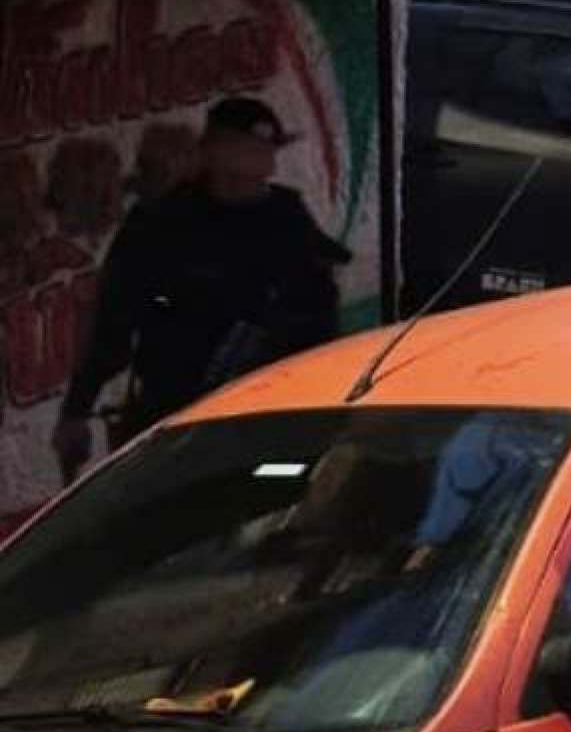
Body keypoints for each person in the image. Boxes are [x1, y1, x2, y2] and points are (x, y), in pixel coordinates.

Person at [52, 96, 349, 480]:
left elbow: (320, 317)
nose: (267, 165)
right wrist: (76, 410)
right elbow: (113, 323)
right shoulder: (163, 224)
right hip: (177, 418)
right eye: (252, 151)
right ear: (215, 151)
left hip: (268, 417)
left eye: (267, 152)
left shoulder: (286, 217)